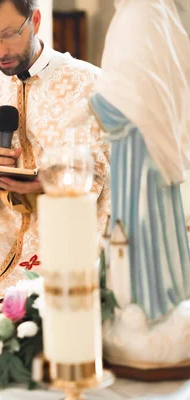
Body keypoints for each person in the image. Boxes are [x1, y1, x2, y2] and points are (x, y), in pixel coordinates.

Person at [0, 0, 110, 278]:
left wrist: (52, 182)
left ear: (36, 21)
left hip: (64, 251)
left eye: (8, 35)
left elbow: (111, 175)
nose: (0, 51)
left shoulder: (90, 84)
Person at [90, 0, 190, 320]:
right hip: (148, 145)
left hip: (138, 150)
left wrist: (91, 105)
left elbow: (125, 99)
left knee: (140, 224)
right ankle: (162, 299)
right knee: (154, 226)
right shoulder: (153, 12)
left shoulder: (138, 15)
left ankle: (149, 305)